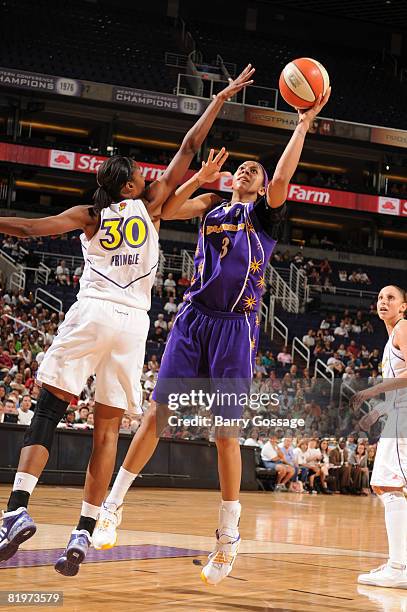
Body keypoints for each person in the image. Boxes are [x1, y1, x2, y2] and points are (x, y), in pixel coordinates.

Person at [0, 66, 255, 574]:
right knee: (107, 432)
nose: (146, 172)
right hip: (135, 324)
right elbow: (189, 144)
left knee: (49, 411)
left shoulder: (89, 215)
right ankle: (84, 531)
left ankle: (16, 511)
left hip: (92, 310)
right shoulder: (152, 205)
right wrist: (221, 97)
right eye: (139, 170)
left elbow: (27, 227)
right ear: (132, 183)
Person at [91, 88, 331, 585]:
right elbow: (162, 212)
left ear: (263, 187)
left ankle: (228, 535)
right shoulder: (209, 207)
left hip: (235, 329)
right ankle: (110, 507)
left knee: (226, 434)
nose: (245, 171)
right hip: (194, 318)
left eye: (254, 171)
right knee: (157, 414)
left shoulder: (265, 214)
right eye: (240, 168)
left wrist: (302, 124)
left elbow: (284, 175)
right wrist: (198, 178)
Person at [352, 286, 407, 588]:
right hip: (398, 414)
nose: (384, 302)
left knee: (388, 484)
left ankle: (398, 568)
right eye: (380, 298)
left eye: (391, 298)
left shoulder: (404, 328)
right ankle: (400, 564)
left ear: (403, 307)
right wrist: (379, 411)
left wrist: (373, 392)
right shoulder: (391, 338)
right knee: (394, 486)